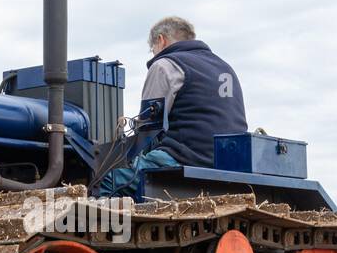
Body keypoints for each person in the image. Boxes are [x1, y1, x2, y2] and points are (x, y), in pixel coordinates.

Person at [97, 16, 248, 197]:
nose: (153, 54)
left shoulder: (166, 64)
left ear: (161, 40)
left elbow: (148, 129)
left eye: (152, 49)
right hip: (228, 161)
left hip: (186, 157)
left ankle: (105, 225)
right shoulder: (225, 67)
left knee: (107, 179)